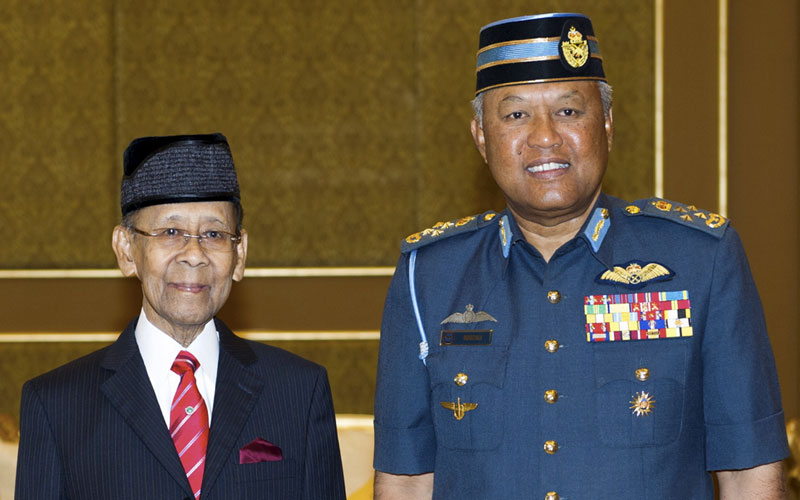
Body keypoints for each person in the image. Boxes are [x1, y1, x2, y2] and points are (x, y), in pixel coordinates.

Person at [373, 13, 790, 500]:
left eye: (569, 111)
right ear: (481, 137)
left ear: (607, 125)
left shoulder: (701, 260)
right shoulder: (429, 276)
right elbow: (406, 482)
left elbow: (749, 475)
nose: (545, 137)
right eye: (516, 115)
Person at [16, 133, 346, 499]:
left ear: (240, 254)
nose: (194, 255)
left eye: (214, 234)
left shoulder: (299, 392)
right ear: (126, 250)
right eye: (171, 232)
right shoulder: (57, 406)